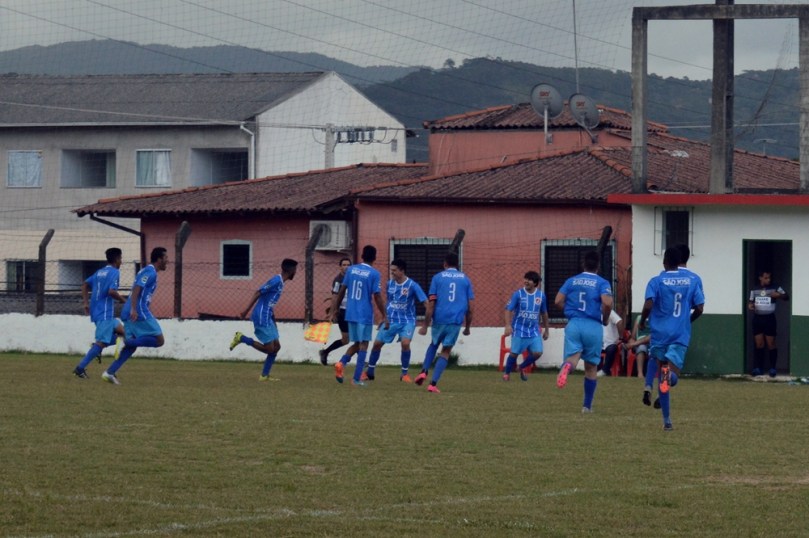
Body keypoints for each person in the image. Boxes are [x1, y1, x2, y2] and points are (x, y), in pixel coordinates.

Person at [639, 246, 704, 431]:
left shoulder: (656, 281)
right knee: (669, 376)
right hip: (679, 335)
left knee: (658, 366)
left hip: (659, 334)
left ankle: (666, 419)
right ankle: (666, 416)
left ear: (664, 262)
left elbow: (649, 304)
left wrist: (643, 320)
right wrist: (687, 321)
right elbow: (700, 308)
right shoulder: (692, 281)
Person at [554, 250, 613, 413]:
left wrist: (569, 311)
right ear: (598, 266)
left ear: (583, 264)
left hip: (574, 324)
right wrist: (605, 319)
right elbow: (607, 303)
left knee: (572, 358)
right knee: (591, 367)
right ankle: (586, 406)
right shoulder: (602, 283)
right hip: (593, 326)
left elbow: (558, 300)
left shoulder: (571, 281)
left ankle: (567, 367)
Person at [101, 247, 169, 385]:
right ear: (159, 259)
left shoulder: (146, 270)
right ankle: (123, 341)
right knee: (159, 340)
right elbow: (137, 287)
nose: (167, 261)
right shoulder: (150, 272)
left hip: (130, 311)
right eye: (166, 258)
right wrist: (134, 309)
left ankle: (110, 372)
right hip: (138, 310)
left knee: (132, 346)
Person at [229, 258, 298, 381]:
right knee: (269, 349)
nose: (296, 272)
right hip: (261, 316)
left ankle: (264, 376)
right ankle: (241, 338)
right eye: (295, 270)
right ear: (290, 270)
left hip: (268, 316)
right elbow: (258, 292)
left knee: (276, 347)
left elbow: (270, 302)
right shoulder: (276, 280)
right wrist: (245, 311)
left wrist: (273, 320)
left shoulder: (281, 283)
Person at [415, 252, 474, 393]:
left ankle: (424, 371)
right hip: (455, 321)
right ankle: (433, 384)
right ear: (457, 264)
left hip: (439, 319)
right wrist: (467, 327)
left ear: (445, 264)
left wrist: (425, 325)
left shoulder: (437, 278)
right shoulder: (466, 280)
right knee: (446, 351)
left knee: (433, 344)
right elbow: (471, 307)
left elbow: (431, 304)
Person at [361, 258, 428, 383]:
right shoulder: (389, 284)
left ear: (402, 271)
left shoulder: (412, 285)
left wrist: (428, 319)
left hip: (407, 320)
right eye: (391, 270)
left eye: (394, 270)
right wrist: (384, 317)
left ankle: (404, 374)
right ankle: (369, 372)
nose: (391, 273)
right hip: (391, 320)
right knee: (377, 344)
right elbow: (389, 302)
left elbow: (425, 302)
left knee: (405, 343)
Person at [331, 245, 387, 386]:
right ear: (374, 257)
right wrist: (385, 314)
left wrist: (336, 308)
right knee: (364, 344)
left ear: (362, 256)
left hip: (350, 312)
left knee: (357, 343)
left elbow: (342, 290)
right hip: (364, 313)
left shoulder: (351, 270)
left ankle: (341, 363)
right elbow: (377, 296)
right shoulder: (374, 274)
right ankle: (356, 379)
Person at [72, 247, 126, 378]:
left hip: (98, 311)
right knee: (103, 342)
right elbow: (111, 292)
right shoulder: (114, 272)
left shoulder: (99, 272)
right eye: (121, 259)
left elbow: (85, 284)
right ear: (117, 259)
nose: (121, 261)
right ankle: (80, 368)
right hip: (104, 313)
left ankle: (96, 347)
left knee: (126, 333)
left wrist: (86, 303)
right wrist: (124, 301)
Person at [502, 270, 549, 382]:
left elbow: (544, 313)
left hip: (533, 330)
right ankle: (506, 374)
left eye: (529, 280)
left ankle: (521, 367)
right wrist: (508, 325)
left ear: (535, 283)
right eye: (525, 279)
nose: (526, 281)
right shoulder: (517, 294)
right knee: (514, 353)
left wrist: (547, 330)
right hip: (519, 329)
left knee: (538, 353)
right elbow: (508, 310)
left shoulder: (541, 296)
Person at [748, 269, 789, 377]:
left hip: (769, 318)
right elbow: (751, 302)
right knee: (759, 344)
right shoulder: (754, 289)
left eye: (769, 277)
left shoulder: (776, 287)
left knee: (771, 343)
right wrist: (750, 306)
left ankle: (772, 368)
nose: (768, 280)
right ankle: (759, 368)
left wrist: (779, 295)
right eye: (766, 278)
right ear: (760, 278)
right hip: (757, 318)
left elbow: (786, 296)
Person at [319, 257, 351, 365]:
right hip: (342, 311)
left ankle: (361, 360)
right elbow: (335, 296)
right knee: (346, 339)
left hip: (353, 311)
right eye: (344, 265)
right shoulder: (338, 280)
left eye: (348, 265)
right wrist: (332, 312)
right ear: (340, 267)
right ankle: (325, 352)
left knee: (355, 338)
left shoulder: (353, 278)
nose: (346, 267)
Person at [599, 309, 624, 376]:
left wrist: (621, 337)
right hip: (598, 343)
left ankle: (605, 370)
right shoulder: (594, 312)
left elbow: (619, 322)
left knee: (611, 349)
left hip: (611, 343)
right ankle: (594, 370)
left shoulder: (609, 312)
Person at [627, 313, 651, 379]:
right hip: (639, 344)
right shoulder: (639, 318)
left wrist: (633, 344)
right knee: (641, 348)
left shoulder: (657, 318)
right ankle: (640, 374)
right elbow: (633, 336)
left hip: (652, 342)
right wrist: (631, 342)